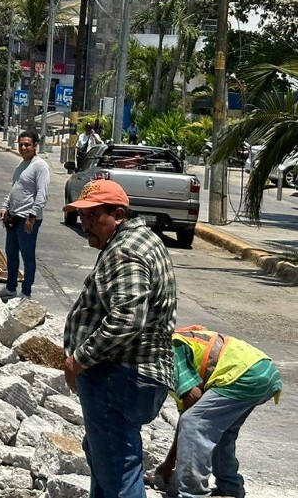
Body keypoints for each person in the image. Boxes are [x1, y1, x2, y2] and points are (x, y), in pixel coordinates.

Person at [62, 179, 178, 498]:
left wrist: (79, 360)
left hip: (119, 374)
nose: (84, 223)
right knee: (107, 460)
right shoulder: (143, 240)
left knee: (118, 469)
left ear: (118, 215)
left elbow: (128, 317)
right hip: (139, 375)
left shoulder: (124, 250)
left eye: (92, 216)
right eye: (81, 216)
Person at [152, 327, 282, 498]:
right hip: (263, 372)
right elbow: (189, 418)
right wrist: (169, 463)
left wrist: (169, 463)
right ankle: (230, 489)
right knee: (222, 433)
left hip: (244, 374)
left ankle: (193, 493)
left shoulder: (167, 352)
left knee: (195, 423)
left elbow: (192, 411)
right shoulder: (176, 342)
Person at [0, 130, 50, 301]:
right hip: (14, 216)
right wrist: (5, 207)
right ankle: (10, 288)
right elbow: (15, 189)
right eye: (21, 144)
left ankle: (26, 292)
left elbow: (42, 193)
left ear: (35, 146)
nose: (23, 147)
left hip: (28, 219)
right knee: (11, 253)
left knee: (27, 255)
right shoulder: (21, 165)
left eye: (27, 144)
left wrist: (32, 216)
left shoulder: (40, 166)